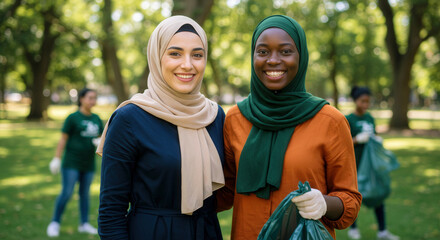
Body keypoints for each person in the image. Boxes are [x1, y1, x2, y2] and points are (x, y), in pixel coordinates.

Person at [216, 15, 362, 239]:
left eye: (285, 51)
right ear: (253, 56)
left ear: (301, 57)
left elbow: (350, 202)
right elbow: (225, 192)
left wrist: (324, 203)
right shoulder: (235, 118)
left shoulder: (330, 121)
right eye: (263, 51)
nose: (273, 60)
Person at [97, 16, 225, 240]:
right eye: (175, 53)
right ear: (156, 57)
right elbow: (110, 213)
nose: (187, 64)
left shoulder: (214, 116)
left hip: (206, 232)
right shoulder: (129, 118)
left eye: (197, 54)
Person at [46, 88, 103, 237]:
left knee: (84, 193)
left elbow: (102, 140)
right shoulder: (73, 117)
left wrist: (99, 142)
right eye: (90, 98)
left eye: (95, 98)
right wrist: (56, 158)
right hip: (71, 163)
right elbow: (63, 139)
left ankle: (84, 224)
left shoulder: (96, 118)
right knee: (67, 192)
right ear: (82, 99)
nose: (93, 101)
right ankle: (55, 222)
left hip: (88, 164)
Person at [346, 86, 400, 240]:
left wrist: (376, 140)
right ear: (355, 100)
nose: (365, 104)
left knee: (377, 195)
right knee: (354, 197)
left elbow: (374, 136)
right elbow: (342, 143)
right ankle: (353, 228)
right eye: (362, 101)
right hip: (356, 165)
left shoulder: (370, 118)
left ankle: (382, 231)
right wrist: (356, 139)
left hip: (371, 166)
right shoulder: (349, 119)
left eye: (368, 101)